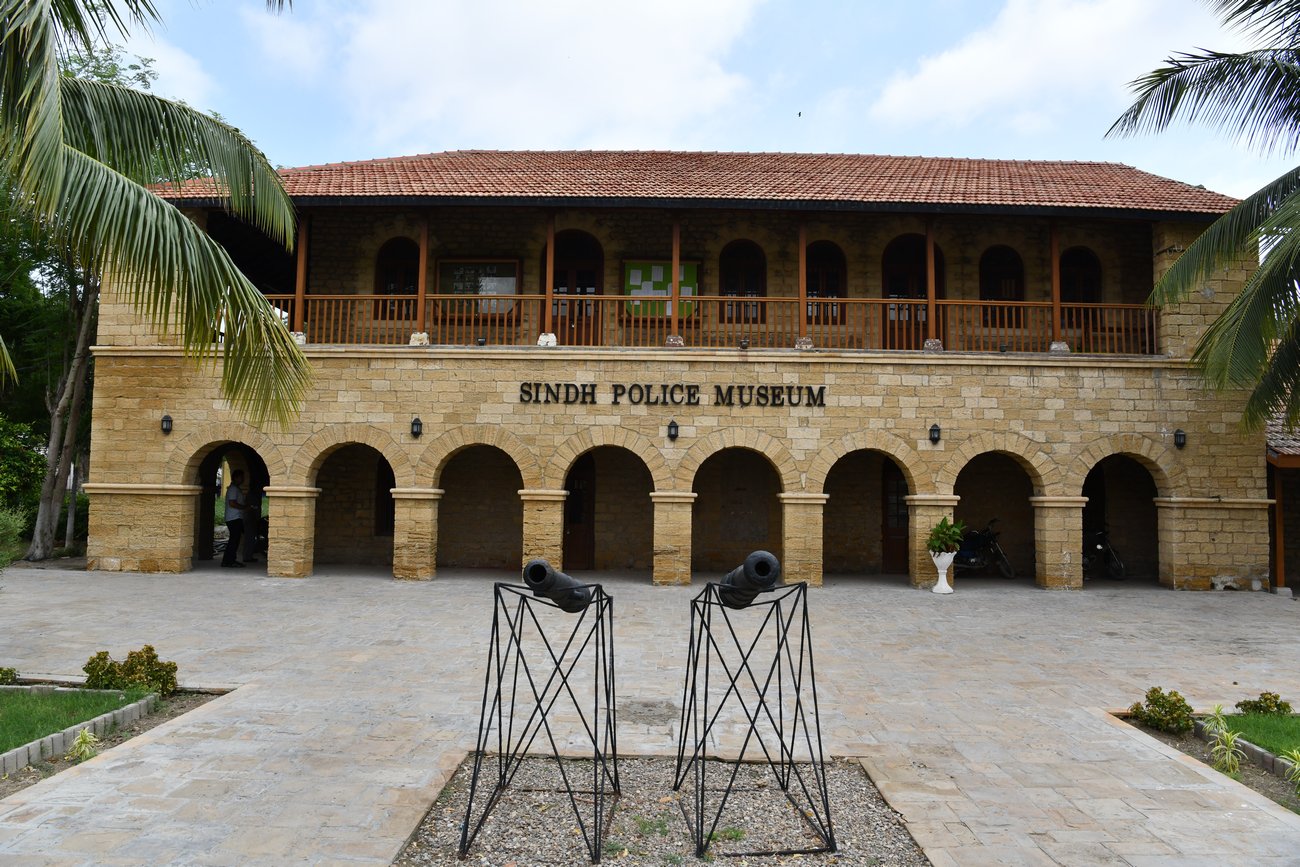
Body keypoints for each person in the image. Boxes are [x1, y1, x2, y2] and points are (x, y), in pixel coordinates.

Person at [222, 469, 249, 568]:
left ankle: (229, 560)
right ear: (237, 477)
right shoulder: (233, 489)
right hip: (234, 518)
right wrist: (244, 508)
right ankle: (229, 561)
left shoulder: (236, 488)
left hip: (236, 517)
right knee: (234, 540)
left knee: (235, 540)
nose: (243, 479)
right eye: (242, 477)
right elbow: (232, 503)